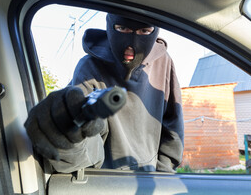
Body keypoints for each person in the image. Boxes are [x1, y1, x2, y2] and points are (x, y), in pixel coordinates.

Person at [24, 13, 184, 173]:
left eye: (144, 31)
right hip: (106, 181)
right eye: (123, 28)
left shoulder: (163, 63)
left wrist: (164, 177)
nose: (132, 44)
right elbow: (87, 142)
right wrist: (67, 139)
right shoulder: (89, 68)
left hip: (149, 183)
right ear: (111, 26)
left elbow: (173, 125)